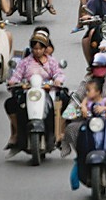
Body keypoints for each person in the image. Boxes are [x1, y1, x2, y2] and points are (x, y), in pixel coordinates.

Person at [4, 28, 66, 157]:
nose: (37, 51)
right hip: (29, 91)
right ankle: (16, 133)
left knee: (65, 99)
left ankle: (60, 133)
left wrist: (57, 81)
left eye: (40, 48)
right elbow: (17, 75)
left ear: (45, 49)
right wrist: (13, 82)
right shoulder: (25, 62)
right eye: (35, 48)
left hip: (47, 91)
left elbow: (59, 74)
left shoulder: (51, 61)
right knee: (10, 103)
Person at [62, 54, 106, 174]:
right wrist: (80, 108)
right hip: (88, 119)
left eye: (101, 67)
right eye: (96, 67)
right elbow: (77, 96)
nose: (98, 70)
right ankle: (81, 156)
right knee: (71, 129)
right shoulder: (87, 81)